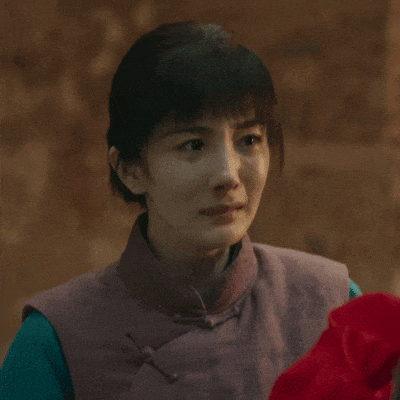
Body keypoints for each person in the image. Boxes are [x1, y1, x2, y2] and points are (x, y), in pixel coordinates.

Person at [0, 21, 362, 400]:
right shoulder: (56, 340)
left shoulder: (331, 305)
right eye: (193, 145)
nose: (228, 174)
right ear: (130, 169)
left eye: (249, 140)